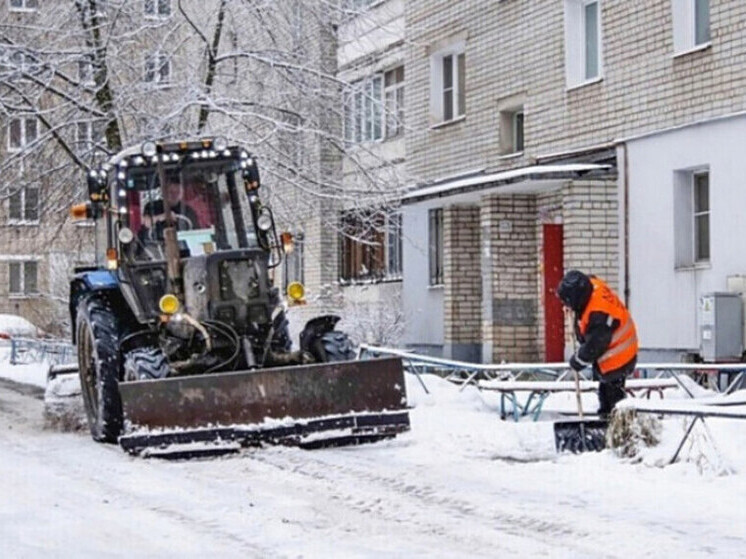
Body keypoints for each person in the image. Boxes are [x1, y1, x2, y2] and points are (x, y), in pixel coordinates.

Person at [556, 270, 639, 418]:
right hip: (616, 347)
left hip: (619, 354)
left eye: (567, 301)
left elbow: (595, 345)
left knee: (613, 398)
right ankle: (607, 421)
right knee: (605, 393)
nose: (566, 305)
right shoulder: (592, 286)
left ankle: (616, 428)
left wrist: (578, 360)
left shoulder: (598, 313)